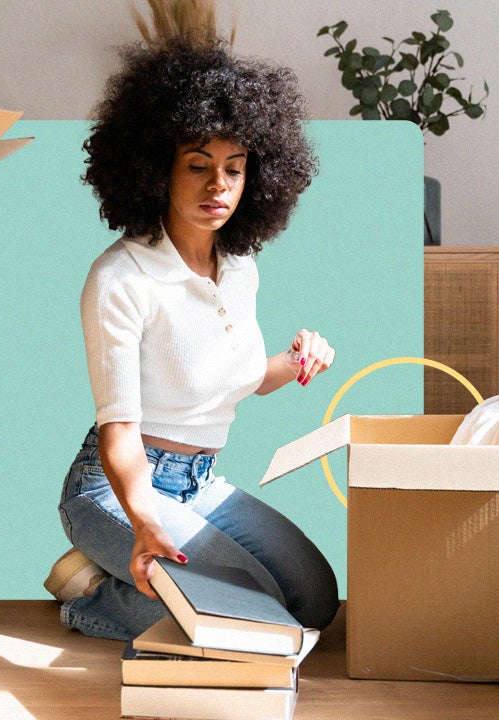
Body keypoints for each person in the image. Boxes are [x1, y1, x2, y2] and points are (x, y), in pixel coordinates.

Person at [44, 38, 339, 642]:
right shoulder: (120, 278)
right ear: (158, 169)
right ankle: (93, 595)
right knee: (253, 614)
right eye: (198, 165)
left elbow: (245, 379)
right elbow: (117, 431)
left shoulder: (241, 265)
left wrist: (298, 358)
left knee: (314, 602)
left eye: (234, 169)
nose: (219, 186)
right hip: (117, 488)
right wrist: (146, 519)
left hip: (202, 483)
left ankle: (134, 585)